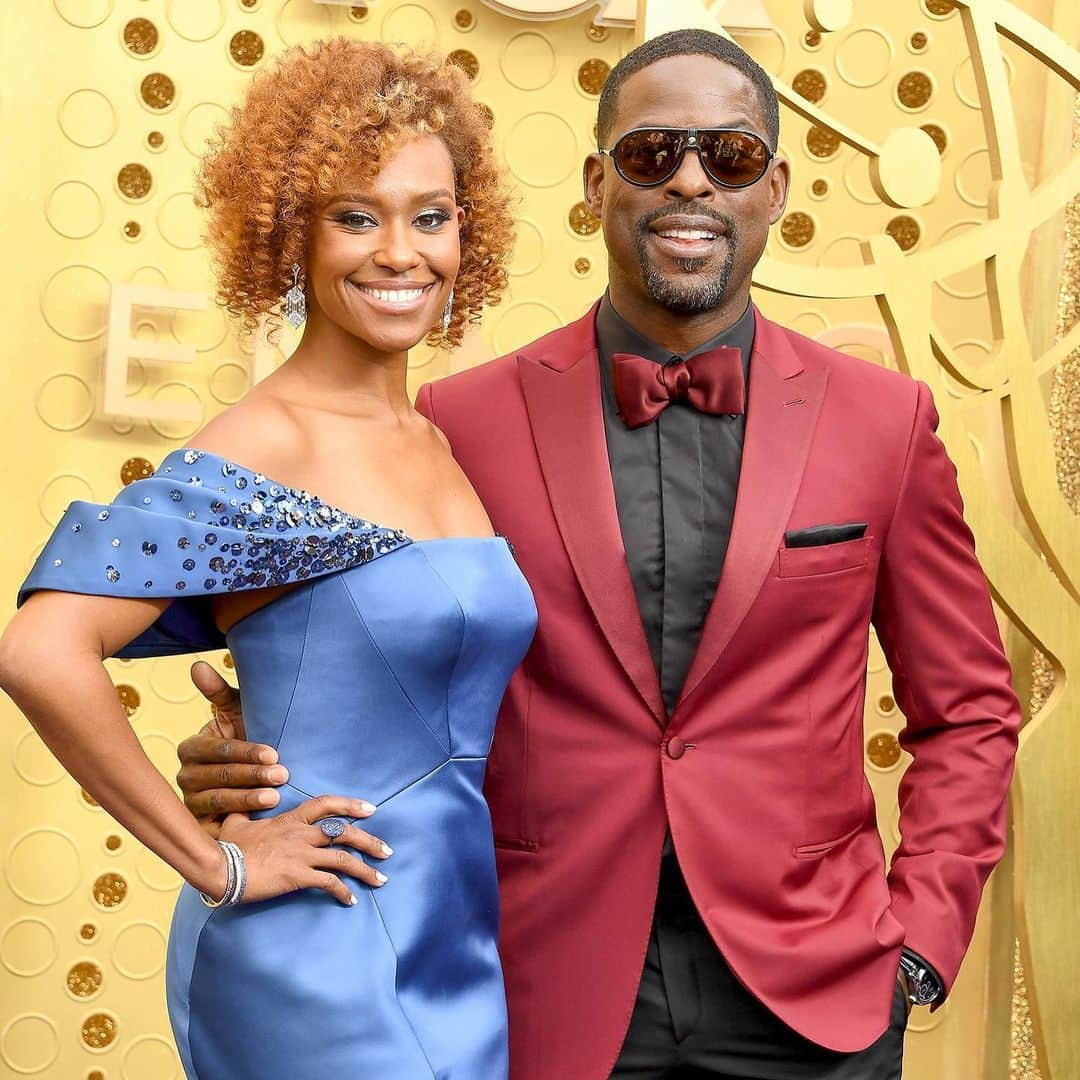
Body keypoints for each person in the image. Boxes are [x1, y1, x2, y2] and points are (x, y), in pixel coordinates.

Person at [173, 29, 1021, 1080]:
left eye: (732, 157)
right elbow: (368, 654)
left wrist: (920, 942)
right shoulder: (457, 424)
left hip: (817, 993)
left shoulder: (885, 424)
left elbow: (970, 707)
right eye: (653, 153)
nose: (693, 183)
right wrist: (256, 756)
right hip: (540, 987)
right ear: (597, 182)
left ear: (777, 189)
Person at [0, 38, 535, 1080]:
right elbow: (40, 651)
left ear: (466, 231)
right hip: (316, 949)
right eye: (353, 215)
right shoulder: (267, 441)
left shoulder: (435, 440)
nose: (398, 252)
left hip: (453, 936)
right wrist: (218, 863)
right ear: (291, 233)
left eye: (428, 215)